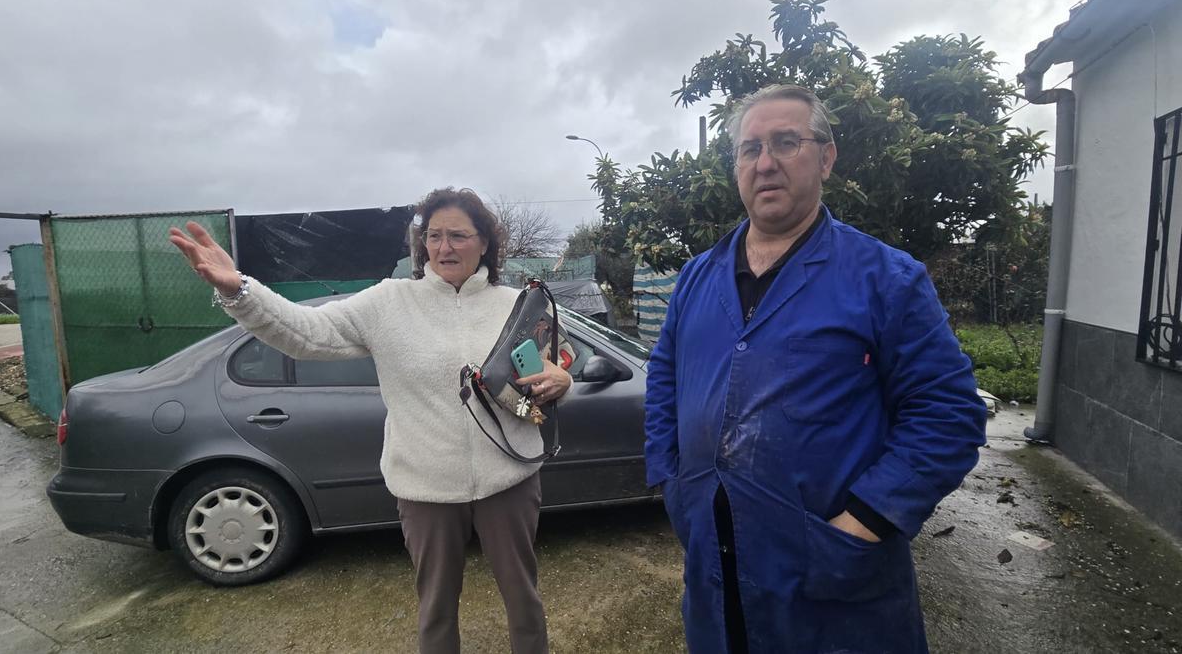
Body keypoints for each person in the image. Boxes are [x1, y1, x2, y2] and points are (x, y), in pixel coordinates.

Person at [643, 84, 988, 653]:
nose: (766, 163)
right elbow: (663, 379)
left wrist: (866, 520)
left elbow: (948, 415)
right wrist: (671, 482)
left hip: (833, 575)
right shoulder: (696, 278)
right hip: (713, 557)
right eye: (750, 149)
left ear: (826, 158)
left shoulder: (887, 279)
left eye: (786, 142)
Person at [169, 188, 570, 654]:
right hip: (426, 489)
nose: (444, 247)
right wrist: (239, 289)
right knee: (436, 608)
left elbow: (557, 360)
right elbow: (305, 333)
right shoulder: (389, 303)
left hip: (510, 479)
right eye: (434, 235)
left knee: (523, 596)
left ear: (484, 242)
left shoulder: (515, 303)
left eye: (459, 236)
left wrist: (563, 379)